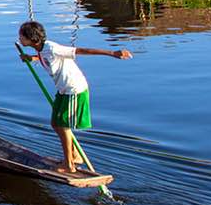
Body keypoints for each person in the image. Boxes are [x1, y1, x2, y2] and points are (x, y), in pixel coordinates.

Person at [17, 20, 132, 175]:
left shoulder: (52, 47)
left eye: (22, 36)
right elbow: (45, 57)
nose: (19, 39)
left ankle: (69, 165)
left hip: (74, 89)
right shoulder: (42, 49)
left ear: (32, 39)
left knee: (63, 125)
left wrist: (113, 53)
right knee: (55, 124)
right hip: (63, 90)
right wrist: (31, 58)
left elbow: (81, 51)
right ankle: (75, 156)